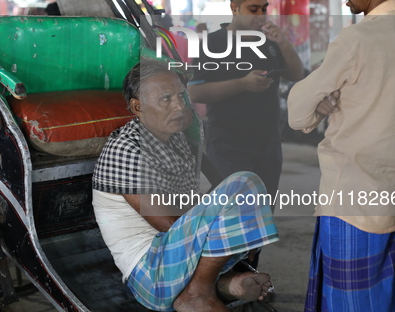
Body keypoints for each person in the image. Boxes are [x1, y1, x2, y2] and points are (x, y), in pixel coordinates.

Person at [287, 0, 395, 311]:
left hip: (350, 200)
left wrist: (321, 102)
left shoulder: (356, 39)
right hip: (392, 194)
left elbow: (297, 111)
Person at [92, 60, 279, 312]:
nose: (179, 106)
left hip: (180, 259)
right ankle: (198, 292)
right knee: (243, 184)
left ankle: (219, 283)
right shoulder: (126, 149)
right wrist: (238, 228)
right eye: (166, 99)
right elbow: (169, 224)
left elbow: (216, 189)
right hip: (151, 275)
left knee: (245, 191)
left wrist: (247, 227)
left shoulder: (176, 139)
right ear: (138, 107)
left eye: (181, 96)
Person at [188, 0, 304, 200]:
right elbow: (196, 92)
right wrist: (243, 84)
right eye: (253, 9)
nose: (261, 15)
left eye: (264, 8)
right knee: (235, 212)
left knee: (263, 214)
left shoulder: (270, 42)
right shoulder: (213, 43)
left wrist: (283, 42)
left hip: (268, 144)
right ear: (234, 7)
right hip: (228, 146)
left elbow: (296, 74)